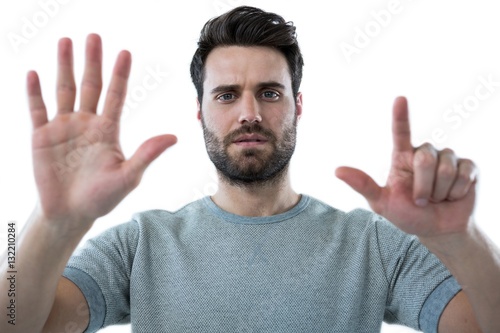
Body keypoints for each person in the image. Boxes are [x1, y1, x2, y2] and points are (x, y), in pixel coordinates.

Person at [1, 5, 498, 333]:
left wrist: (462, 240)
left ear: (298, 105)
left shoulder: (372, 243)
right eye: (226, 95)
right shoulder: (141, 244)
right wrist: (55, 224)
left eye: (269, 92)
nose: (249, 113)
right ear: (200, 111)